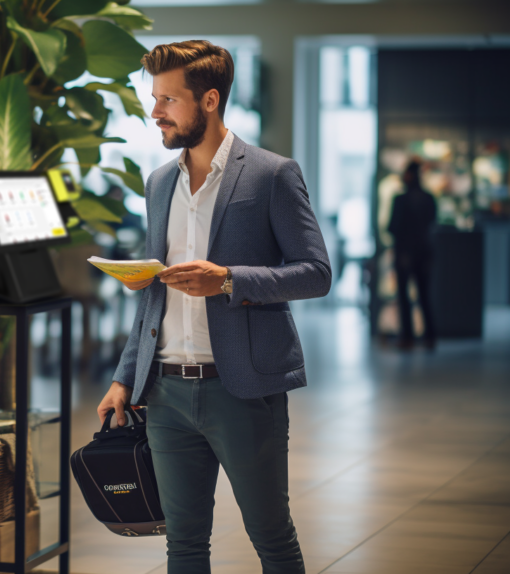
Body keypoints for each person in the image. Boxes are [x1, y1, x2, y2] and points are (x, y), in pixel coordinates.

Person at [96, 40, 331, 574]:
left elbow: (316, 274)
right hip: (166, 393)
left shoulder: (272, 174)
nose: (154, 111)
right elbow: (154, 295)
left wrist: (226, 280)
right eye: (154, 98)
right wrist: (124, 377)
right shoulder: (159, 184)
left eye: (168, 100)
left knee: (271, 536)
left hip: (243, 389)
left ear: (208, 100)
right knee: (183, 542)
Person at [387, 160, 437, 350]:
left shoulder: (400, 199)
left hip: (404, 255)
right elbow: (433, 222)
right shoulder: (429, 198)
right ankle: (430, 337)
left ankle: (407, 338)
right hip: (425, 254)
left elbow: (392, 227)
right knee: (425, 296)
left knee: (404, 297)